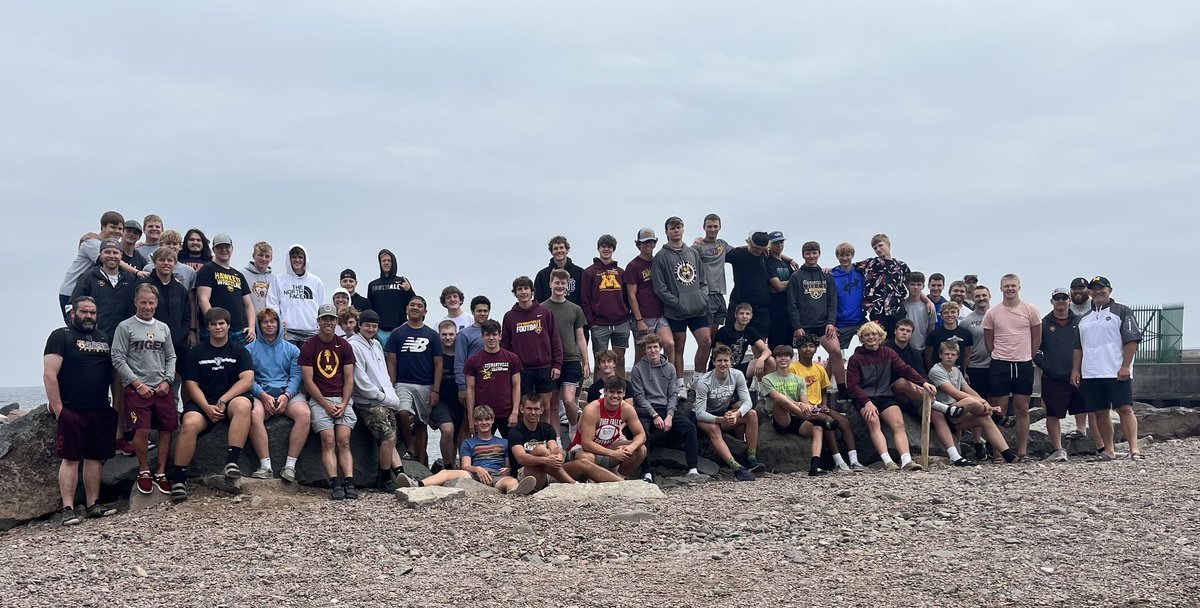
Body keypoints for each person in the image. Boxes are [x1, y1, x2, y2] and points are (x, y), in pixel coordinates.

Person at [44, 296, 120, 524]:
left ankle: (93, 505)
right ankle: (67, 508)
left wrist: (116, 407)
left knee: (95, 458)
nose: (88, 316)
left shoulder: (103, 337)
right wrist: (59, 409)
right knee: (70, 459)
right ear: (73, 313)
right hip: (71, 408)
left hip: (99, 408)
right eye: (84, 311)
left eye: (93, 312)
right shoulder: (60, 336)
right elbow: (49, 375)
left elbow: (115, 376)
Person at [170, 307, 256, 503]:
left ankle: (232, 462)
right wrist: (207, 408)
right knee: (190, 423)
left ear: (228, 326)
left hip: (230, 400)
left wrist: (224, 400)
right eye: (213, 324)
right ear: (207, 327)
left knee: (243, 405)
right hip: (203, 403)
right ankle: (179, 480)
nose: (218, 327)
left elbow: (247, 380)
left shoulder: (239, 350)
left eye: (221, 323)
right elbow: (191, 384)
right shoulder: (196, 352)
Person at [71, 238, 137, 455]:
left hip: (121, 343)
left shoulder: (129, 279)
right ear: (100, 255)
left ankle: (117, 436)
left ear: (121, 256)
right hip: (94, 343)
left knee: (119, 392)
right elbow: (73, 307)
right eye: (107, 252)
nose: (112, 256)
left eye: (115, 253)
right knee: (96, 389)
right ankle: (94, 436)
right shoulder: (89, 277)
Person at [110, 284, 178, 494]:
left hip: (162, 388)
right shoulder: (125, 327)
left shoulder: (163, 328)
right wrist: (136, 384)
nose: (147, 306)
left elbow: (171, 357)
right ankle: (144, 469)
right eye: (143, 302)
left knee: (167, 429)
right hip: (137, 389)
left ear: (156, 303)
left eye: (151, 302)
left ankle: (160, 471)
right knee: (143, 429)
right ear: (136, 302)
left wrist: (168, 381)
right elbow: (117, 357)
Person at [846, 322, 937, 471]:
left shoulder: (888, 353)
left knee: (898, 423)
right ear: (862, 338)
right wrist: (866, 402)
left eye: (874, 334)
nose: (871, 337)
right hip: (864, 398)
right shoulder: (855, 359)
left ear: (880, 336)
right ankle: (888, 462)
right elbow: (853, 386)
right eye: (867, 335)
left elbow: (904, 369)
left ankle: (907, 461)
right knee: (874, 421)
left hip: (884, 395)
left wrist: (923, 383)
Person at [1073, 276, 1144, 461]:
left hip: (1115, 370)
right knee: (1100, 412)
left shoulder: (1121, 311)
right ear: (1089, 292)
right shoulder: (1084, 319)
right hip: (1091, 372)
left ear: (1109, 290)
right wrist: (1076, 370)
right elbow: (1078, 347)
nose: (1098, 292)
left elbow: (1132, 340)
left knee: (1125, 409)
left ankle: (1134, 448)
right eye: (1094, 289)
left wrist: (1125, 366)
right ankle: (1109, 450)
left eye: (1101, 288)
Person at [395, 405, 538, 496]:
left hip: (496, 475)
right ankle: (417, 484)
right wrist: (478, 469)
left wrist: (507, 469)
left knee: (510, 480)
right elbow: (465, 466)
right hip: (474, 474)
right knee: (445, 472)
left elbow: (508, 464)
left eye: (487, 419)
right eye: (480, 420)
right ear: (475, 422)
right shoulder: (468, 443)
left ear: (493, 421)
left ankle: (515, 491)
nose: (484, 423)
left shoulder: (504, 442)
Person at [301, 303, 358, 500]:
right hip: (320, 400)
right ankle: (335, 482)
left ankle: (349, 481)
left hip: (341, 399)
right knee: (329, 440)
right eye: (324, 319)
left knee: (343, 440)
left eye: (331, 319)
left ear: (337, 322)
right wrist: (325, 404)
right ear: (318, 321)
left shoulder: (344, 346)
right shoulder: (309, 345)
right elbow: (308, 381)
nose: (328, 322)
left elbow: (349, 378)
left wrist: (344, 403)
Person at [245, 307, 309, 482]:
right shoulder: (249, 349)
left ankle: (290, 466)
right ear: (259, 325)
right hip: (261, 394)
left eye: (273, 321)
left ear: (279, 324)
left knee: (304, 414)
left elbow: (296, 376)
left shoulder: (293, 350)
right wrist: (263, 395)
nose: (269, 325)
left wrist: (287, 395)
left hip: (287, 395)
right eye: (265, 322)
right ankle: (265, 466)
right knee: (252, 414)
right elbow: (248, 379)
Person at [928, 342, 1018, 465]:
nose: (949, 357)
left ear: (957, 356)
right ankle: (996, 416)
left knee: (985, 418)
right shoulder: (936, 370)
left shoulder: (956, 371)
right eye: (946, 354)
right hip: (944, 411)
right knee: (971, 401)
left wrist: (986, 404)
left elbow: (969, 391)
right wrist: (982, 402)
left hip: (957, 412)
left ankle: (1008, 455)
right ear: (940, 355)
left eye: (952, 354)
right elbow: (954, 393)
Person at [983, 273, 1042, 461]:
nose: (1010, 289)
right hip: (1000, 363)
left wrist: (1027, 355)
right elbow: (988, 341)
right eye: (1006, 286)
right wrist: (1001, 355)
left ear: (1019, 287)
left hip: (1023, 364)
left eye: (1013, 286)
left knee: (1022, 408)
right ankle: (998, 452)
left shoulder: (1030, 309)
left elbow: (1037, 337)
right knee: (999, 409)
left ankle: (1023, 451)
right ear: (1001, 288)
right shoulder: (993, 313)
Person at [789, 335, 864, 472]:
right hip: (805, 409)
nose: (808, 349)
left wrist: (824, 405)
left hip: (819, 406)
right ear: (798, 349)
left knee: (845, 422)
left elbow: (824, 391)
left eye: (811, 346)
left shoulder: (819, 369)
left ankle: (854, 460)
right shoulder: (793, 369)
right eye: (804, 346)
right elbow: (792, 393)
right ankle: (838, 461)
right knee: (827, 423)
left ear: (816, 349)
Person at [630, 334, 700, 481]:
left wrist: (669, 416)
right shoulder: (638, 369)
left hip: (666, 408)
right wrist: (654, 415)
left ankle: (693, 469)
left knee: (690, 427)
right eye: (649, 347)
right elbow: (639, 397)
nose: (653, 350)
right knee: (642, 433)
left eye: (655, 347)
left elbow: (673, 395)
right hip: (646, 410)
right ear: (645, 350)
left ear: (660, 348)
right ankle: (647, 472)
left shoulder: (670, 368)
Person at [653, 216, 712, 389]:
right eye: (672, 228)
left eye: (678, 227)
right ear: (666, 232)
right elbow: (660, 288)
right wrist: (678, 303)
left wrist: (703, 297)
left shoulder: (693, 252)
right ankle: (679, 384)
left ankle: (698, 380)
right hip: (676, 311)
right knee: (679, 346)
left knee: (706, 341)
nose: (676, 230)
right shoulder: (661, 256)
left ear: (683, 229)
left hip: (697, 308)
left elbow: (703, 279)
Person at [761, 345, 838, 476]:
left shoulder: (798, 379)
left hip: (799, 417)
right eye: (779, 356)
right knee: (780, 398)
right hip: (780, 417)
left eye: (786, 356)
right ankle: (815, 418)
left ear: (791, 358)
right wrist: (800, 404)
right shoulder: (767, 378)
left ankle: (815, 466)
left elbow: (806, 402)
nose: (783, 359)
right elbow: (775, 398)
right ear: (775, 359)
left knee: (818, 428)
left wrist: (808, 407)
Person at [349, 309, 403, 491]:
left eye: (374, 326)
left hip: (385, 399)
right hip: (367, 402)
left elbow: (384, 374)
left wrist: (391, 396)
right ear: (360, 325)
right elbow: (361, 381)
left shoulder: (377, 344)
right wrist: (384, 398)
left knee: (392, 437)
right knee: (387, 437)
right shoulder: (353, 345)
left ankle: (400, 473)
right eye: (367, 325)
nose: (371, 329)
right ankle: (386, 477)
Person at [385, 296, 443, 465]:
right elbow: (391, 360)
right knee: (402, 412)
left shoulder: (432, 335)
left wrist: (436, 390)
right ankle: (410, 448)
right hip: (403, 383)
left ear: (425, 311)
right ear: (407, 309)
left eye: (419, 306)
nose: (415, 308)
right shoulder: (397, 333)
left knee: (421, 422)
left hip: (426, 384)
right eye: (412, 305)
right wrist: (391, 384)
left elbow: (438, 364)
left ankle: (422, 458)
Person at [692, 345, 759, 481]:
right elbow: (699, 413)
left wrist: (736, 414)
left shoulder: (737, 375)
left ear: (731, 362)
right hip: (705, 417)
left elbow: (747, 402)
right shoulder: (704, 382)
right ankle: (736, 467)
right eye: (719, 361)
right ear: (713, 362)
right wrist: (721, 420)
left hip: (725, 412)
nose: (723, 364)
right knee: (713, 427)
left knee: (752, 414)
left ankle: (752, 458)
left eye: (726, 361)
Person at [501, 276, 563, 422]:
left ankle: (546, 440)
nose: (523, 292)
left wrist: (557, 365)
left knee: (544, 407)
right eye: (519, 289)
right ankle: (526, 442)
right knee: (524, 408)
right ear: (515, 293)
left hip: (544, 366)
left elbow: (555, 339)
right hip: (521, 369)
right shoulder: (509, 316)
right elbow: (505, 345)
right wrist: (508, 370)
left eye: (526, 288)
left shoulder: (545, 312)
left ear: (532, 291)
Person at [786, 240, 845, 393]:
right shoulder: (796, 277)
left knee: (836, 352)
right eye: (808, 253)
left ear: (819, 254)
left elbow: (833, 301)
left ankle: (841, 388)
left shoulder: (827, 276)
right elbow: (792, 304)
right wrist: (797, 326)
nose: (811, 256)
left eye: (814, 253)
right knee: (805, 358)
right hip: (804, 325)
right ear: (803, 255)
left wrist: (831, 323)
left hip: (824, 324)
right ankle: (804, 390)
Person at [1034, 288, 1085, 463]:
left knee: (1083, 407)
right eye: (1057, 298)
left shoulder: (1079, 322)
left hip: (1077, 373)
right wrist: (1047, 368)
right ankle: (1058, 449)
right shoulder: (1044, 324)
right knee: (1052, 413)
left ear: (1069, 300)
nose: (1061, 301)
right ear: (1052, 301)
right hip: (1053, 377)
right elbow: (1035, 350)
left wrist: (1079, 368)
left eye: (1064, 298)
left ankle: (1083, 432)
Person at [138, 247, 192, 403]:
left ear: (175, 263)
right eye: (162, 260)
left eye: (170, 260)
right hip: (150, 344)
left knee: (184, 379)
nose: (166, 263)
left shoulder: (180, 289)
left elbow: (186, 315)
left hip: (177, 343)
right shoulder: (144, 285)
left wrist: (183, 333)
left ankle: (184, 413)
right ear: (154, 262)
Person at [568, 376, 648, 481]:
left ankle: (618, 478)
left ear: (624, 393)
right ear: (604, 392)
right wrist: (614, 454)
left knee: (641, 449)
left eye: (619, 393)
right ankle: (588, 482)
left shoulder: (627, 409)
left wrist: (631, 447)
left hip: (610, 447)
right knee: (587, 458)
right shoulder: (592, 409)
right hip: (586, 450)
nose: (615, 396)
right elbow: (586, 443)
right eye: (611, 392)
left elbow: (641, 435)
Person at [542, 269, 590, 441]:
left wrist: (586, 362)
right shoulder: (542, 309)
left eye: (563, 283)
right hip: (550, 361)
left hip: (571, 359)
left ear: (567, 286)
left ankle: (574, 427)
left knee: (569, 400)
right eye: (557, 282)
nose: (560, 286)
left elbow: (580, 337)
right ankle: (557, 441)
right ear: (550, 284)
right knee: (553, 405)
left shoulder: (575, 309)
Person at [581, 234, 630, 378]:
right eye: (603, 246)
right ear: (598, 248)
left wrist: (626, 314)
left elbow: (627, 297)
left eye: (609, 247)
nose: (606, 249)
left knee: (619, 359)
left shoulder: (621, 272)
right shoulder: (589, 272)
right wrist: (591, 323)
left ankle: (621, 392)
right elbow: (585, 300)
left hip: (621, 322)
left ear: (613, 249)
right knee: (601, 362)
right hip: (599, 324)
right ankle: (597, 395)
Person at [857, 234, 925, 337]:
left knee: (899, 339)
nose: (878, 249)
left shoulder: (901, 266)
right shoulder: (869, 263)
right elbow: (847, 267)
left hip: (896, 310)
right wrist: (830, 270)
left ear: (888, 245)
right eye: (875, 248)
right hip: (877, 310)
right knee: (879, 340)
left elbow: (913, 286)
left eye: (880, 245)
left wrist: (928, 301)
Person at [626, 228, 675, 369]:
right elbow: (631, 295)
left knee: (669, 344)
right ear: (638, 244)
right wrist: (639, 320)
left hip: (660, 315)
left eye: (651, 242)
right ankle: (637, 387)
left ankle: (668, 380)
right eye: (644, 242)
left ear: (655, 243)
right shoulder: (633, 266)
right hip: (642, 317)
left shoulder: (658, 261)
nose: (648, 245)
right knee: (642, 355)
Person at [464, 320, 523, 436]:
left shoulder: (512, 358)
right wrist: (471, 419)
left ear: (500, 336)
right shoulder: (473, 361)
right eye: (487, 335)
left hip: (507, 414)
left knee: (512, 450)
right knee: (482, 452)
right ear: (482, 336)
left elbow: (517, 385)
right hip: (483, 415)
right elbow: (470, 390)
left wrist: (515, 412)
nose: (491, 338)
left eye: (494, 334)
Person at [195, 234, 256, 345]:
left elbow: (248, 305)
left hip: (239, 330)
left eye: (227, 247)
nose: (224, 250)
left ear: (232, 249)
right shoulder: (207, 270)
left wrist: (252, 327)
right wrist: (215, 323)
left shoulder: (238, 275)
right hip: (216, 329)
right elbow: (203, 299)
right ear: (213, 250)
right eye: (219, 247)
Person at [506, 395, 577, 490]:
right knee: (540, 449)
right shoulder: (515, 432)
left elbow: (554, 448)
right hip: (524, 476)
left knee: (583, 464)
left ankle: (586, 485)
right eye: (529, 409)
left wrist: (559, 455)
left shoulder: (547, 428)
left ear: (541, 410)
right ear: (522, 409)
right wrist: (546, 460)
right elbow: (521, 458)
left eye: (536, 409)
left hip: (547, 472)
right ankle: (574, 484)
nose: (533, 412)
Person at [267, 244, 326, 347]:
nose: (297, 260)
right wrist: (278, 321)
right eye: (294, 257)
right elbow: (272, 304)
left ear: (305, 259)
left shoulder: (316, 281)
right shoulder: (279, 279)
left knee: (308, 363)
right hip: (287, 333)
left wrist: (320, 325)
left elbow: (322, 306)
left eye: (300, 257)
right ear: (289, 259)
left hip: (311, 332)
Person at [431, 319, 466, 469]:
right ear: (439, 335)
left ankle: (463, 468)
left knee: (460, 437)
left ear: (456, 334)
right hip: (440, 401)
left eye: (451, 334)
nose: (448, 337)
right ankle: (447, 468)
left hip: (459, 401)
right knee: (447, 430)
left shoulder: (462, 354)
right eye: (444, 334)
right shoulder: (434, 355)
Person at [725, 232, 773, 339]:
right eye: (756, 248)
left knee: (761, 340)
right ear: (750, 244)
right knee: (730, 337)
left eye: (761, 249)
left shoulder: (764, 254)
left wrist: (790, 259)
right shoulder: (738, 254)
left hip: (761, 306)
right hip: (740, 302)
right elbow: (715, 254)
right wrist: (701, 242)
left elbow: (775, 252)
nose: (758, 251)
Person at [831, 242, 867, 377]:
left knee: (877, 341)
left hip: (860, 320)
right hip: (841, 323)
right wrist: (832, 323)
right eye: (841, 255)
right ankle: (824, 386)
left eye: (847, 255)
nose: (844, 258)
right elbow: (829, 301)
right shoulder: (832, 275)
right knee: (834, 355)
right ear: (837, 257)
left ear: (852, 256)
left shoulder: (861, 273)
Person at [692, 213, 731, 334]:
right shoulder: (698, 247)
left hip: (719, 294)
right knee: (706, 338)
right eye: (709, 226)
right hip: (706, 294)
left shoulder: (722, 244)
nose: (712, 229)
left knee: (714, 334)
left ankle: (712, 354)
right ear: (704, 227)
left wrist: (761, 246)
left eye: (715, 226)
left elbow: (741, 251)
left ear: (720, 227)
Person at [713, 303, 772, 381]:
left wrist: (761, 359)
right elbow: (718, 355)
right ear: (735, 315)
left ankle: (765, 390)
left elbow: (767, 351)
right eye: (741, 313)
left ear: (751, 316)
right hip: (722, 368)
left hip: (738, 368)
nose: (744, 316)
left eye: (747, 314)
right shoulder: (724, 331)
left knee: (770, 361)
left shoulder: (750, 331)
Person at [367, 249, 414, 346]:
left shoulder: (402, 281)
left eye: (389, 260)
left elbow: (413, 303)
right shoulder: (372, 285)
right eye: (383, 261)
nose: (386, 263)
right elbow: (370, 308)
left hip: (400, 328)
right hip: (380, 332)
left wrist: (408, 290)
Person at [453, 296, 491, 405]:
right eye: (479, 311)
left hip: (493, 382)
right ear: (473, 312)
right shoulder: (464, 334)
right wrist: (461, 386)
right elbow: (460, 362)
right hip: (473, 383)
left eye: (485, 311)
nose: (482, 314)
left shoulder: (495, 332)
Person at [533, 235, 585, 306]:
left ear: (567, 250)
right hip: (550, 315)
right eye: (555, 248)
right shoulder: (542, 275)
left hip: (574, 315)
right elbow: (538, 301)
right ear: (551, 252)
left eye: (561, 248)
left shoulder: (580, 273)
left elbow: (585, 298)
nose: (559, 251)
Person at [765, 231, 795, 350]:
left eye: (781, 242)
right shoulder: (768, 262)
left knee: (788, 346)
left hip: (790, 309)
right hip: (775, 310)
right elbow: (778, 286)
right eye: (776, 243)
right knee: (777, 346)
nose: (779, 245)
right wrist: (794, 280)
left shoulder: (787, 263)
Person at [924, 302, 974, 372]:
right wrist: (932, 373)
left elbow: (967, 356)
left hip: (959, 373)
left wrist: (965, 371)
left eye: (953, 312)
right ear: (941, 315)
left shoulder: (966, 334)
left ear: (958, 314)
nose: (949, 315)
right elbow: (928, 358)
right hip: (939, 373)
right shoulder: (933, 335)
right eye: (946, 313)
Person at [900, 272, 936, 352]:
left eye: (919, 285)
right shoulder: (901, 305)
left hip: (921, 350)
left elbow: (931, 331)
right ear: (907, 285)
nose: (916, 287)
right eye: (912, 284)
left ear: (923, 286)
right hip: (903, 349)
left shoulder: (929, 307)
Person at [244, 242, 275, 318]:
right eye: (260, 255)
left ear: (271, 259)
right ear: (253, 256)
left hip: (267, 324)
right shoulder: (242, 274)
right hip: (247, 322)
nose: (263, 259)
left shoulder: (274, 279)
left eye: (267, 256)